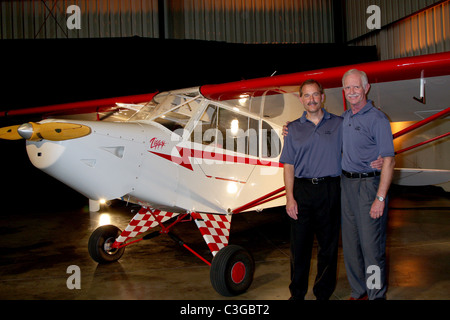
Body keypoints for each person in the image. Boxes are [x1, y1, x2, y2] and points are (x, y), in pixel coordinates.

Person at [280, 79, 343, 300]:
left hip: (330, 190)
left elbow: (357, 143)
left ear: (322, 96)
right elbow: (288, 166)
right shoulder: (293, 129)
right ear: (301, 99)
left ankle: (323, 293)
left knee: (328, 246)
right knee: (300, 248)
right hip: (302, 191)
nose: (312, 99)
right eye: (307, 95)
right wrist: (290, 198)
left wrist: (376, 160)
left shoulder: (338, 124)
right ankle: (296, 294)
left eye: (315, 94)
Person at [340, 69, 395, 300]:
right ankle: (358, 290)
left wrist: (380, 198)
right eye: (348, 88)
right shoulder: (344, 118)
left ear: (366, 88)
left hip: (369, 185)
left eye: (356, 87)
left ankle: (374, 294)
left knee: (372, 248)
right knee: (351, 246)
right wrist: (289, 127)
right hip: (347, 186)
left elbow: (389, 160)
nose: (352, 92)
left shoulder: (378, 119)